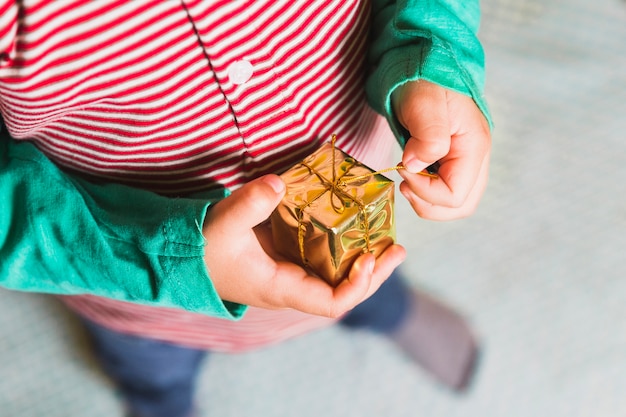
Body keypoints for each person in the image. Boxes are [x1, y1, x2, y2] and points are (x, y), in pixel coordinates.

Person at [0, 1, 492, 416]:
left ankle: (385, 309)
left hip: (358, 224)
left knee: (366, 276)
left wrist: (435, 55)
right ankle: (160, 399)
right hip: (135, 289)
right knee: (152, 369)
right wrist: (166, 257)